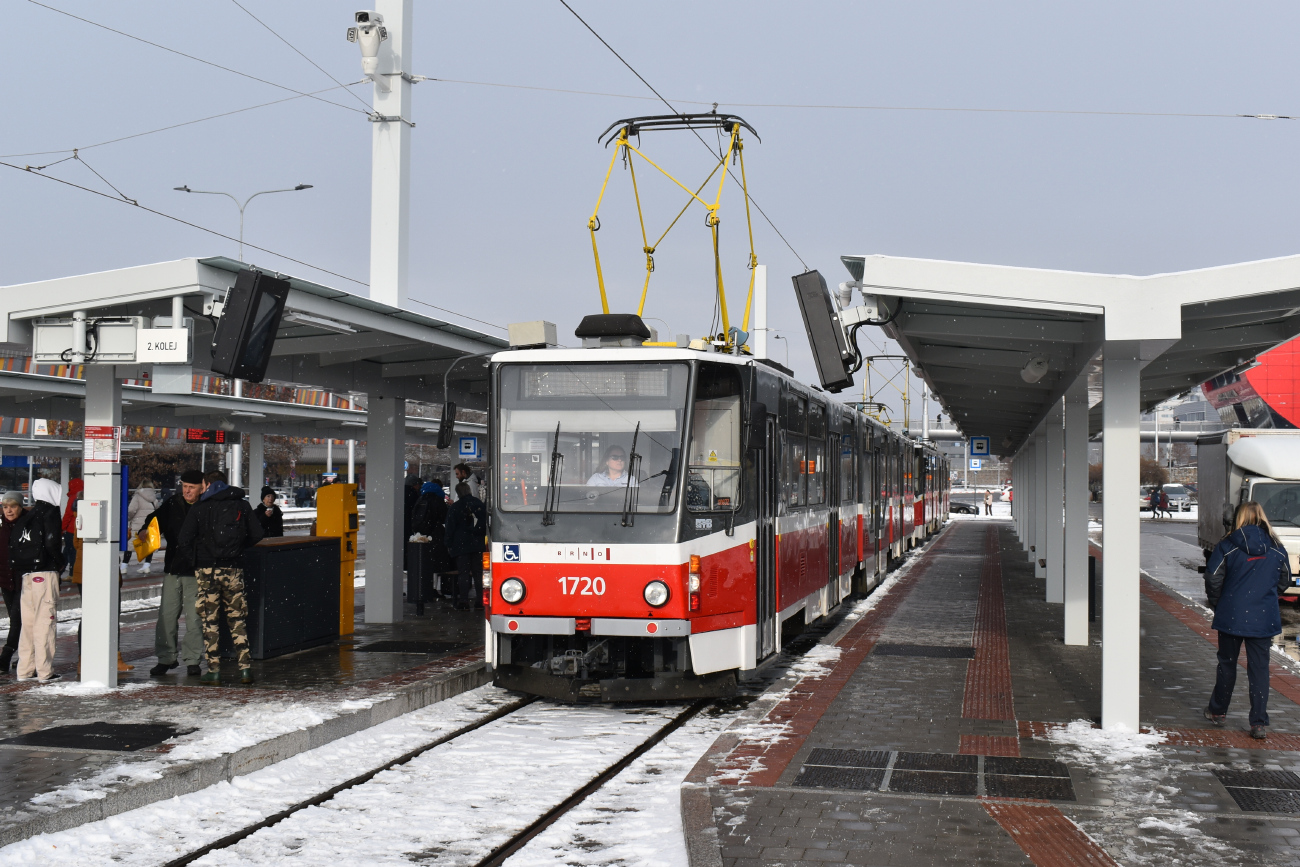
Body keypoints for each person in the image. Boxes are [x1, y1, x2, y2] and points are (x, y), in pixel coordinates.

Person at [1203, 501, 1291, 739]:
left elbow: (1213, 577)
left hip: (1231, 615)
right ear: (1262, 517)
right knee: (1259, 670)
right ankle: (1258, 723)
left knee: (1227, 664)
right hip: (1262, 617)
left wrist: (1218, 602)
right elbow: (1284, 580)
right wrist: (1266, 595)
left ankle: (1218, 711)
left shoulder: (1227, 545)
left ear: (1238, 518)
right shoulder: (1276, 547)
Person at [177, 471, 264, 685]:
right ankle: (245, 669)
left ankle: (214, 671)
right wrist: (237, 549)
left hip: (207, 571)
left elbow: (184, 539)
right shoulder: (241, 506)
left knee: (210, 621)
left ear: (207, 484)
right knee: (237, 619)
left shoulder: (200, 507)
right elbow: (257, 534)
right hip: (233, 570)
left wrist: (197, 560)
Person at [143, 469, 205, 677]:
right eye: (185, 487)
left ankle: (193, 659)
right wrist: (145, 529)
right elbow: (154, 520)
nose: (187, 491)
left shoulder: (206, 506)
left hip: (195, 571)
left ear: (201, 487)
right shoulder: (172, 504)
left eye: (192, 488)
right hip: (173, 568)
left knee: (194, 618)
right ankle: (166, 657)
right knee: (166, 616)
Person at [10, 478, 64, 682]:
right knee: (45, 623)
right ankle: (44, 671)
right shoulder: (50, 513)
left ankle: (25, 670)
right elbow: (51, 542)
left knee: (28, 624)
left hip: (26, 575)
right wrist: (60, 561)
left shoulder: (28, 515)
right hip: (45, 572)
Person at [445, 481, 487, 610]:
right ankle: (480, 601)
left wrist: (448, 543)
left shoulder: (456, 507)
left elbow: (450, 527)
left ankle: (464, 601)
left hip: (461, 544)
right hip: (477, 543)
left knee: (463, 573)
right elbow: (485, 523)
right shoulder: (479, 504)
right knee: (478, 573)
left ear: (458, 493)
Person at [410, 480, 452, 600]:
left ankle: (423, 589)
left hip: (421, 535)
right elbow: (445, 517)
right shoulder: (437, 500)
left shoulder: (420, 499)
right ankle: (433, 589)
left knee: (424, 563)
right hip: (436, 535)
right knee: (436, 563)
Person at [0, 491, 24, 675]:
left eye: (13, 506)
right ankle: (22, 656)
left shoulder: (26, 524)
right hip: (5, 580)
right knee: (16, 619)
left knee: (18, 620)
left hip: (24, 580)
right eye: (5, 507)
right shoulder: (1, 526)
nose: (9, 510)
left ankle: (6, 656)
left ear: (20, 507)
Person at [126, 480, 158, 575]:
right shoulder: (154, 498)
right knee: (148, 545)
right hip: (150, 526)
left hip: (138, 524)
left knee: (130, 545)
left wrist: (129, 518)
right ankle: (147, 565)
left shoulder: (137, 497)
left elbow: (131, 510)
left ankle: (124, 565)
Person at [61, 478, 82, 580]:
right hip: (80, 529)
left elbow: (68, 514)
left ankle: (68, 573)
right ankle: (71, 572)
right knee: (73, 552)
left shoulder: (73, 497)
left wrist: (62, 528)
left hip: (71, 529)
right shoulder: (85, 494)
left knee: (70, 552)